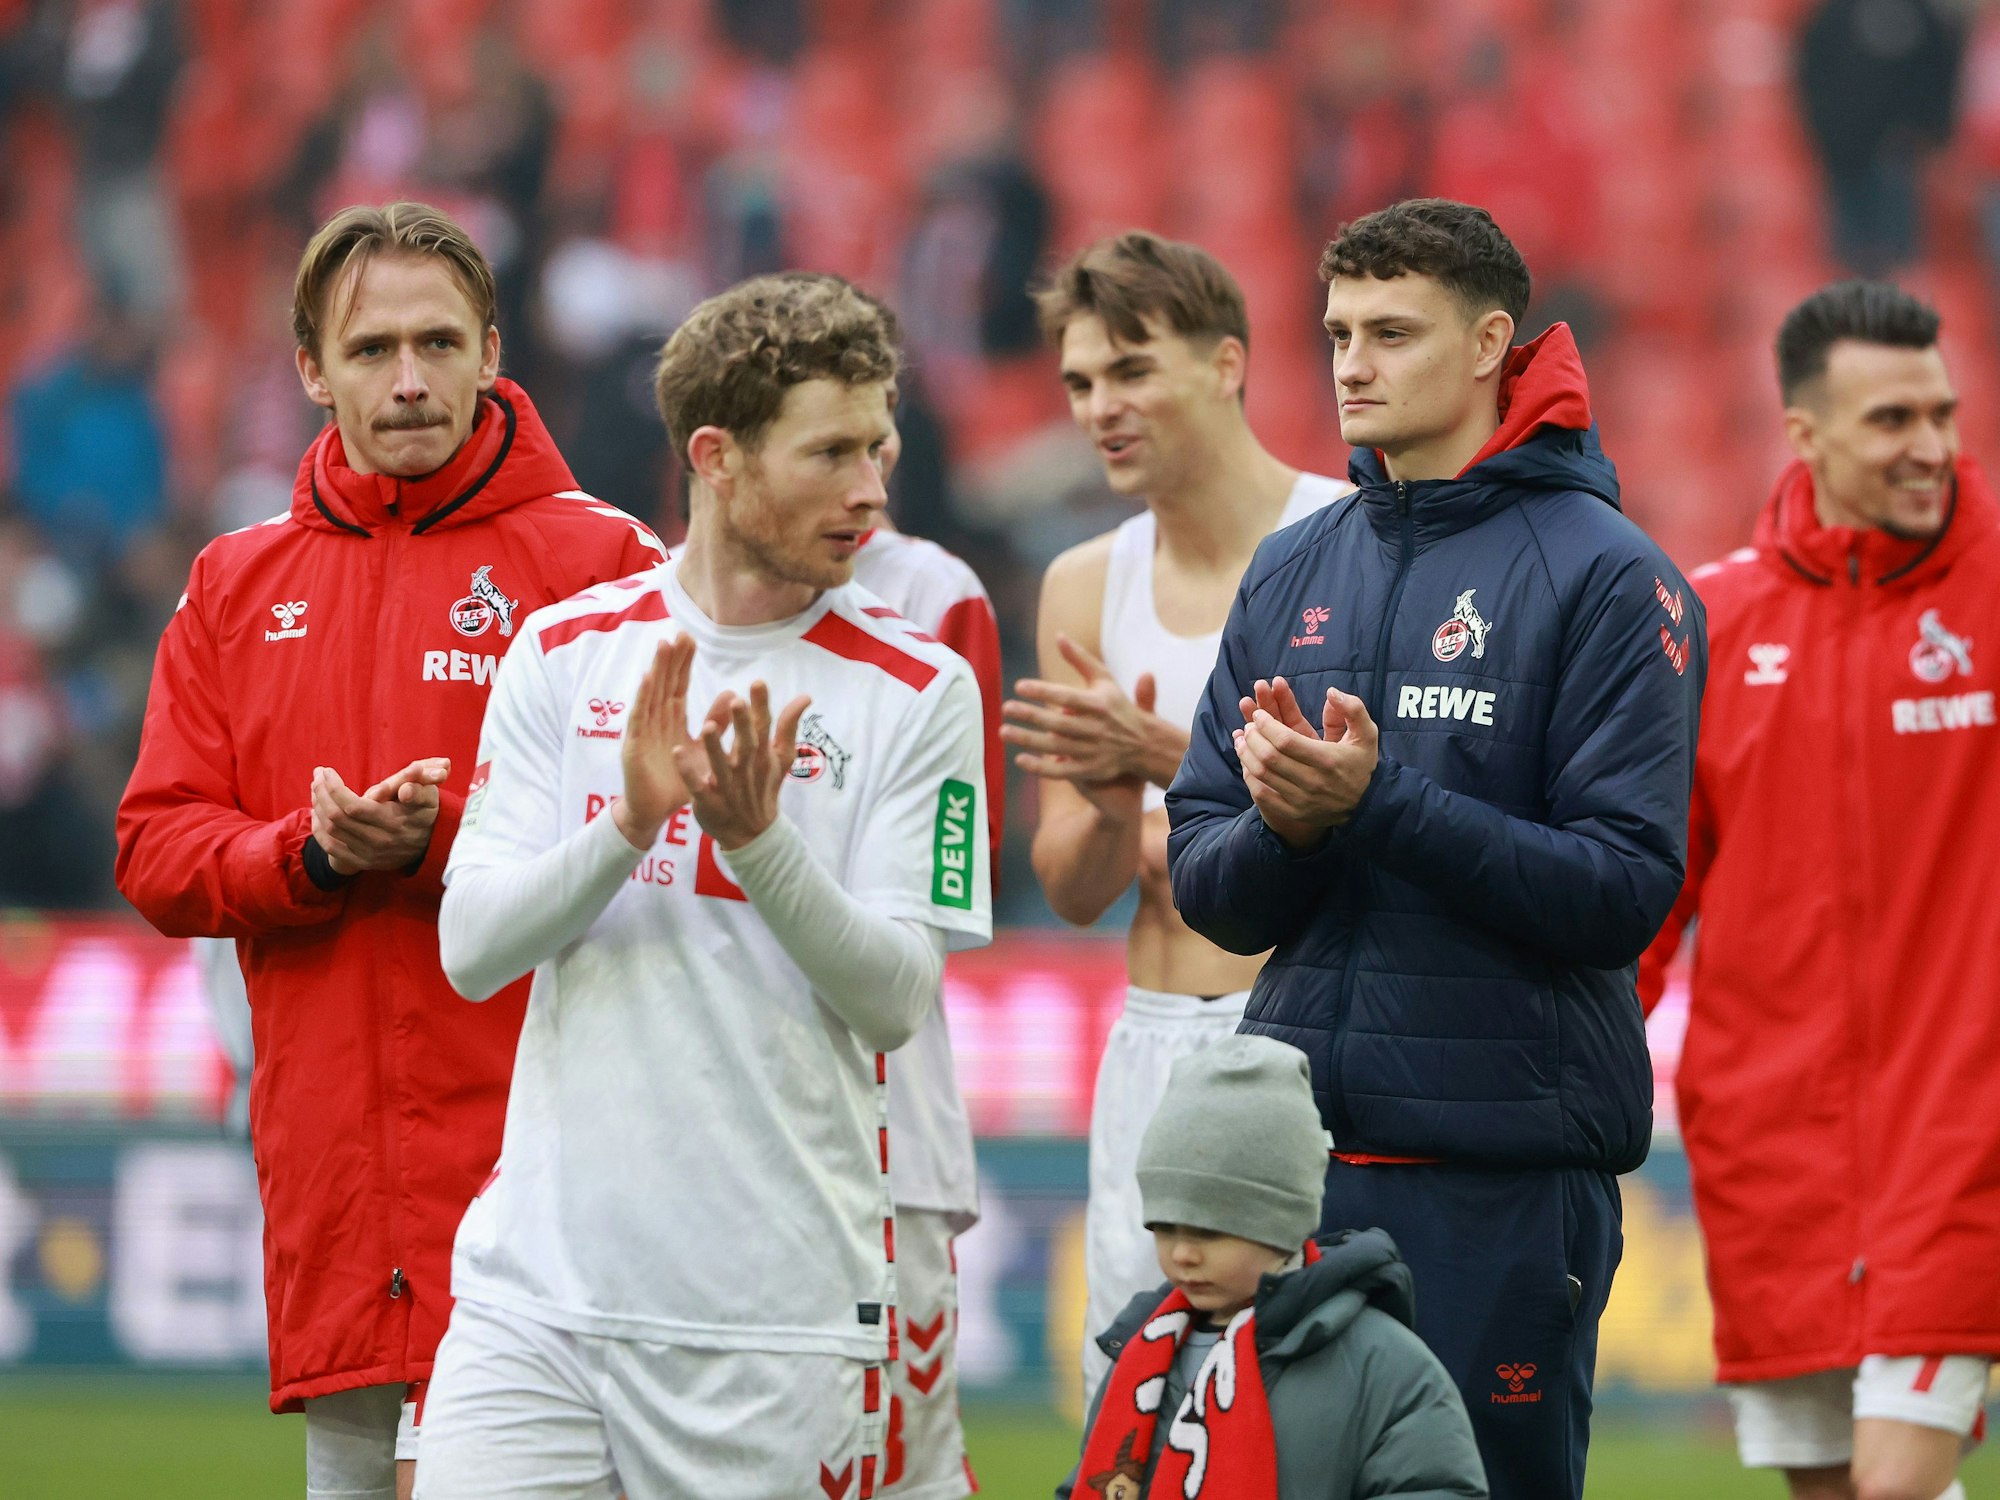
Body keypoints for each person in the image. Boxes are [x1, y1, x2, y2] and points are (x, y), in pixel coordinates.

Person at [114, 201, 666, 1500]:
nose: (407, 380)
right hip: (338, 1174)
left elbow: (664, 836)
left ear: (491, 348)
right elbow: (156, 847)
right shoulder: (234, 586)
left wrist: (444, 845)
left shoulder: (606, 566)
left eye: (436, 342)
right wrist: (308, 855)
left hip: (544, 1168)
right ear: (311, 367)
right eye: (370, 351)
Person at [416, 274, 993, 1500]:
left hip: (770, 1322)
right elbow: (470, 947)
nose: (871, 492)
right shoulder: (565, 652)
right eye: (831, 453)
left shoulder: (919, 688)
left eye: (877, 447)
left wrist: (760, 844)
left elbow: (895, 996)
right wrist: (628, 823)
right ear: (716, 458)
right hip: (536, 1304)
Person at [1165, 198, 1706, 1500]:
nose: (1351, 362)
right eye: (1338, 331)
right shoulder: (1291, 571)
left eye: (1391, 332)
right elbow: (1206, 880)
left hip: (1500, 1188)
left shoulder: (1614, 580)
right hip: (1294, 1176)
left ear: (1488, 345)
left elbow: (1623, 891)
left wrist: (1377, 806)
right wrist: (1292, 832)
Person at [1639, 282, 1999, 1500]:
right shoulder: (1711, 622)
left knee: (1897, 1488)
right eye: (1891, 418)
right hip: (1768, 1151)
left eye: (1940, 414)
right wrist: (1556, 1077)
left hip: (1955, 1134)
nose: (1930, 447)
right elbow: (1645, 893)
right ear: (1803, 435)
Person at [1004, 230, 1349, 1396]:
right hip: (1149, 1035)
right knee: (1136, 1406)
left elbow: (1360, 829)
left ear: (1226, 364)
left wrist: (1159, 759)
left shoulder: (1343, 540)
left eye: (1132, 369)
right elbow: (1071, 883)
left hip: (1300, 1028)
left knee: (1298, 1416)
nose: (1101, 406)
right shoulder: (1083, 581)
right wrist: (1108, 805)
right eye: (1080, 383)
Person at [1056, 1035, 1487, 1500]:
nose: (1182, 1253)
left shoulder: (1380, 1363)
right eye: (1165, 1228)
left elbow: (1436, 1487)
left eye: (1209, 1231)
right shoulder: (1141, 1355)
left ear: (1281, 1225)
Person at [851, 515, 1005, 1500]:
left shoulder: (934, 594)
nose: (864, 478)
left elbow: (957, 871)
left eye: (872, 439)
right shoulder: (654, 601)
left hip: (890, 1116)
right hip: (718, 1132)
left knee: (905, 1463)